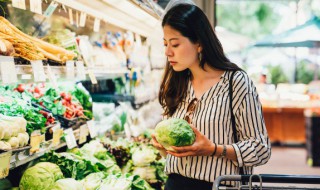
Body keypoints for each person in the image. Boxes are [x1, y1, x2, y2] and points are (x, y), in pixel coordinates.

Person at [151, 3, 271, 190]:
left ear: (199, 43)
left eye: (175, 44)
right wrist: (163, 148)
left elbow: (261, 149)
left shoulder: (236, 83)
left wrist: (214, 149)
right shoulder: (176, 83)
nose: (168, 52)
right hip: (175, 184)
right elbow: (175, 156)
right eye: (165, 44)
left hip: (219, 186)